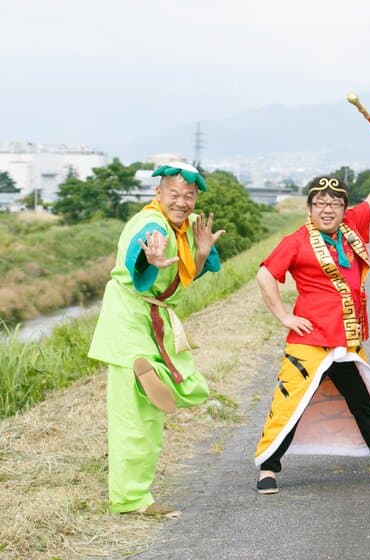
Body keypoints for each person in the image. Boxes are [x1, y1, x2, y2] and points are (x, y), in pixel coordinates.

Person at [254, 153, 370, 494]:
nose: (327, 209)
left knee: (361, 399)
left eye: (335, 203)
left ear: (344, 209)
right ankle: (268, 468)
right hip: (309, 339)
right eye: (320, 203)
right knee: (290, 401)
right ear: (309, 208)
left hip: (346, 339)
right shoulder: (296, 241)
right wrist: (284, 316)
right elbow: (266, 275)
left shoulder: (351, 228)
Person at [88, 161, 225, 518]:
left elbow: (182, 278)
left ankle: (153, 375)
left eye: (189, 196)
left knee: (190, 387)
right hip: (129, 322)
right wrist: (150, 256)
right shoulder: (150, 224)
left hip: (153, 324)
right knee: (134, 420)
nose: (182, 201)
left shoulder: (182, 229)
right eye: (174, 194)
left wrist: (202, 251)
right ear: (158, 193)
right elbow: (143, 245)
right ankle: (131, 500)